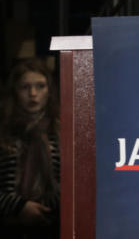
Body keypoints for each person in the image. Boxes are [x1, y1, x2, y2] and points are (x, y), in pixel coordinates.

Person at [0, 59, 60, 239]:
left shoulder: (63, 132)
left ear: (49, 90)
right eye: (24, 87)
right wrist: (19, 206)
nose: (33, 94)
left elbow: (76, 183)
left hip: (55, 226)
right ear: (15, 92)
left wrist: (45, 209)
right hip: (8, 227)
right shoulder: (3, 132)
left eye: (40, 86)